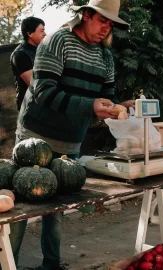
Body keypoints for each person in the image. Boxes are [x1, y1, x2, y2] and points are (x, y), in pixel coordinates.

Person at [13, 0, 133, 269]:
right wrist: (89, 106)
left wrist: (118, 108)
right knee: (21, 207)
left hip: (71, 141)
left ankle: (52, 265)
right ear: (86, 15)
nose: (106, 28)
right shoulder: (58, 41)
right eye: (103, 20)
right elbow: (43, 92)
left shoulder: (106, 57)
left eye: (111, 24)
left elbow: (107, 98)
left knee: (56, 208)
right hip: (35, 137)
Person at [10, 16, 46, 111]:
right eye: (41, 31)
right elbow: (35, 84)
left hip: (45, 103)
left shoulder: (42, 49)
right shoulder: (20, 55)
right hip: (30, 107)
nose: (45, 34)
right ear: (29, 33)